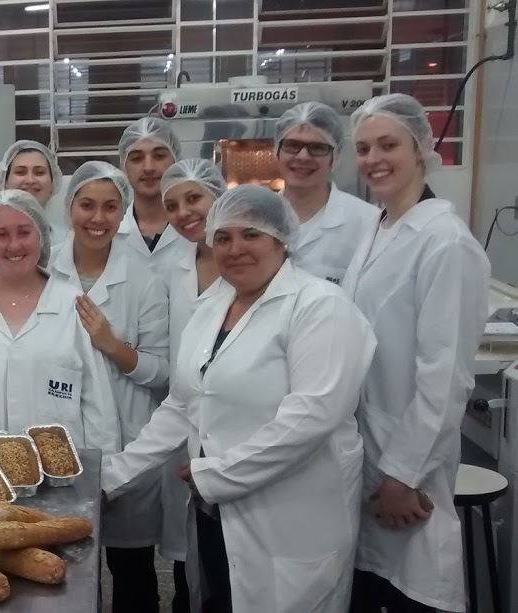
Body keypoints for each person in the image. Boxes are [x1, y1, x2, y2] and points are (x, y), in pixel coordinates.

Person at [102, 185, 377, 612]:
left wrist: (217, 476)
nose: (236, 249)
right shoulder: (213, 308)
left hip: (291, 518)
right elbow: (183, 404)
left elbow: (311, 418)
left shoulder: (320, 307)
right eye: (224, 237)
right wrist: (113, 476)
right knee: (221, 598)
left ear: (281, 239)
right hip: (216, 514)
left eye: (251, 234)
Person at [344, 94, 491, 613]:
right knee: (373, 587)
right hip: (366, 456)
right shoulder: (378, 227)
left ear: (423, 148)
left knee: (416, 590)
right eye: (364, 148)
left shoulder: (445, 242)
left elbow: (444, 377)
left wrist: (402, 476)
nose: (374, 159)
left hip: (409, 470)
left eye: (388, 145)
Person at [49, 162, 173, 612]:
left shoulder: (143, 280)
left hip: (128, 436)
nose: (97, 218)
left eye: (110, 207)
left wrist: (112, 345)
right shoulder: (45, 269)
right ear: (69, 208)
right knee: (59, 567)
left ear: (123, 214)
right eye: (87, 205)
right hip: (61, 434)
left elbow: (162, 372)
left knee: (131, 568)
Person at [0, 189, 120, 453]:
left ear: (41, 236)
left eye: (24, 232)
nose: (14, 245)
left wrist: (102, 470)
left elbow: (98, 404)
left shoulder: (73, 304)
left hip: (66, 470)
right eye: (1, 234)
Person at [157, 157, 231, 611]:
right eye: (172, 205)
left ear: (218, 195)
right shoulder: (174, 264)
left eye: (193, 198)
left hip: (236, 429)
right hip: (186, 420)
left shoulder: (244, 264)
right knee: (194, 559)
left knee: (232, 567)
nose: (183, 212)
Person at [275, 102, 379, 284]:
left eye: (317, 148)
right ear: (276, 151)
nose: (303, 156)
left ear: (335, 157)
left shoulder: (368, 223)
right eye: (292, 145)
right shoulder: (256, 218)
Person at [115, 118, 193, 270]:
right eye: (137, 158)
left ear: (176, 160)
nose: (148, 167)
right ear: (124, 166)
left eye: (159, 156)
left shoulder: (197, 230)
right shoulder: (112, 232)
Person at [0, 140, 68, 242]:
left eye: (39, 172)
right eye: (20, 172)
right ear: (5, 183)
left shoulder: (69, 242)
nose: (30, 180)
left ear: (53, 184)